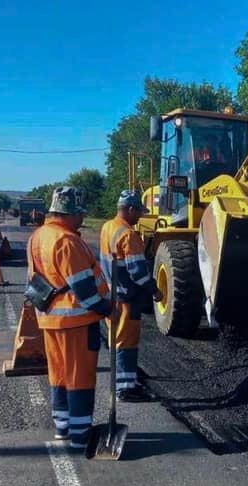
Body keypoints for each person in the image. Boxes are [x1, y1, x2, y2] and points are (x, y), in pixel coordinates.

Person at [28, 187, 114, 448]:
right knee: (80, 376)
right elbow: (83, 287)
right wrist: (106, 307)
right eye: (79, 214)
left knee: (59, 374)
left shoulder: (39, 236)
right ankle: (80, 434)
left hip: (50, 319)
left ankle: (62, 426)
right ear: (70, 213)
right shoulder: (67, 241)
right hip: (76, 320)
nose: (82, 219)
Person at [99, 190, 162, 402]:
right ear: (131, 209)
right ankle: (124, 389)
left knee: (115, 339)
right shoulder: (128, 235)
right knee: (126, 342)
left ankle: (122, 382)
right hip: (126, 298)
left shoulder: (108, 227)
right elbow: (138, 272)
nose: (140, 218)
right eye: (139, 213)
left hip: (111, 294)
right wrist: (155, 290)